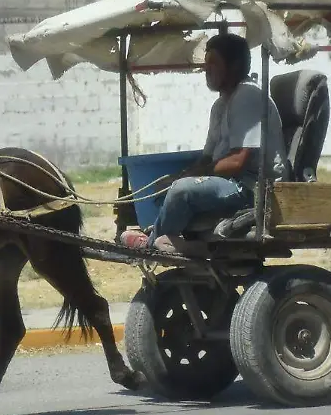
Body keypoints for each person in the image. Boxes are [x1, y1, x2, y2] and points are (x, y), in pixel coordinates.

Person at [120, 32, 289, 253]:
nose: (206, 69)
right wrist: (178, 176)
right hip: (232, 181)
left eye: (214, 63)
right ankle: (169, 237)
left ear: (235, 65)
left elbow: (237, 161)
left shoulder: (248, 96)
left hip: (254, 188)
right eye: (206, 63)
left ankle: (153, 241)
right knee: (171, 184)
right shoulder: (220, 105)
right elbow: (208, 158)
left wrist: (185, 180)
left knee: (182, 189)